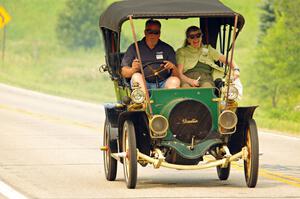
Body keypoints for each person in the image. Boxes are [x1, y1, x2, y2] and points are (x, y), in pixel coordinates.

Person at [176, 26, 242, 93]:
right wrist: (190, 81)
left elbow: (226, 59)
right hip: (187, 78)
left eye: (198, 35)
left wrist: (236, 69)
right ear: (188, 39)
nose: (195, 39)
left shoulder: (208, 49)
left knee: (207, 90)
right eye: (192, 37)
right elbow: (179, 73)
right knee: (186, 90)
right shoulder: (182, 51)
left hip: (206, 77)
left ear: (201, 37)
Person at [121, 19, 180, 93]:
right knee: (136, 76)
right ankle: (144, 102)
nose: (152, 35)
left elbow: (178, 76)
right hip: (144, 82)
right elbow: (123, 72)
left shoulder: (167, 48)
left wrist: (172, 67)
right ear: (145, 32)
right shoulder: (134, 47)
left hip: (163, 83)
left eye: (156, 32)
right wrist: (133, 69)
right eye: (150, 32)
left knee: (175, 81)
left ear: (159, 34)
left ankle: (170, 102)